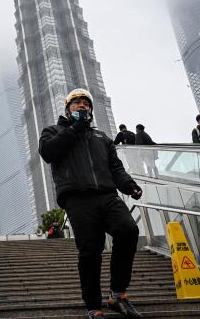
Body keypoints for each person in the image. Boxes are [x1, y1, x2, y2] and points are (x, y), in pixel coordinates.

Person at [39, 88, 143, 319]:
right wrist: (75, 128)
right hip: (76, 197)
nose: (82, 106)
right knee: (90, 250)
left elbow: (115, 167)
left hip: (107, 195)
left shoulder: (101, 138)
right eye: (77, 103)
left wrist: (129, 185)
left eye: (86, 103)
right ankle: (93, 306)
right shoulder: (53, 131)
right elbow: (48, 152)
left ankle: (117, 294)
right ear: (68, 109)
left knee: (128, 230)